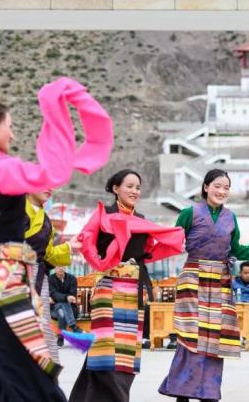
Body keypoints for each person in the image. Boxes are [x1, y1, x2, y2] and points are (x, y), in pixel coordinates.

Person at [0, 78, 113, 402]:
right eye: (10, 126)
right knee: (27, 366)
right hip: (7, 275)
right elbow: (50, 175)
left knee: (2, 363)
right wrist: (55, 114)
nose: (13, 135)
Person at [70, 169, 184, 402]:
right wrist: (102, 263)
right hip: (109, 288)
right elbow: (86, 243)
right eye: (129, 186)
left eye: (138, 187)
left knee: (126, 351)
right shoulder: (103, 214)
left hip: (135, 288)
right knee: (105, 347)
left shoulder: (141, 219)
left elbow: (148, 251)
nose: (134, 191)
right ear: (116, 189)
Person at [159, 169, 249, 402]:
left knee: (215, 336)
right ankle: (182, 392)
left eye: (226, 188)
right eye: (217, 186)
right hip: (193, 278)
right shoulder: (189, 213)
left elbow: (236, 249)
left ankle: (209, 393)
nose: (222, 191)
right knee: (190, 333)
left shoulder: (231, 217)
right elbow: (173, 241)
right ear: (206, 187)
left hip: (220, 281)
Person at [25, 190, 79, 356]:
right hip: (16, 276)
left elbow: (47, 254)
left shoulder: (46, 220)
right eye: (43, 181)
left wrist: (69, 247)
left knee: (42, 334)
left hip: (39, 278)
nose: (49, 188)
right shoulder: (13, 210)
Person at [49, 266, 81, 346]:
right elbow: (53, 293)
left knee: (62, 312)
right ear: (55, 268)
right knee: (62, 306)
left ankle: (61, 336)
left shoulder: (72, 278)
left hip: (71, 309)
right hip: (54, 309)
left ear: (65, 267)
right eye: (58, 266)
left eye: (62, 266)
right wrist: (66, 297)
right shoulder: (50, 279)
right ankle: (73, 326)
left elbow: (72, 294)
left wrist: (57, 298)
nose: (61, 268)